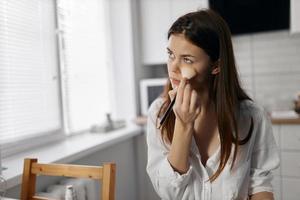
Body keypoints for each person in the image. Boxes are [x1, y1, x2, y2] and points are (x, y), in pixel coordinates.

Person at [146, 9, 279, 200]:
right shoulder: (158, 114)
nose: (173, 68)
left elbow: (259, 183)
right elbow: (169, 192)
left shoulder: (252, 117)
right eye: (170, 55)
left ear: (216, 66)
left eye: (187, 59)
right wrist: (183, 125)